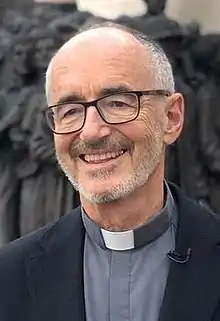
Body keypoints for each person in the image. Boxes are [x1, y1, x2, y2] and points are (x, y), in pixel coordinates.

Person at [1, 22, 220, 321]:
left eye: (118, 103)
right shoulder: (9, 276)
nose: (91, 132)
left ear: (171, 117)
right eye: (70, 110)